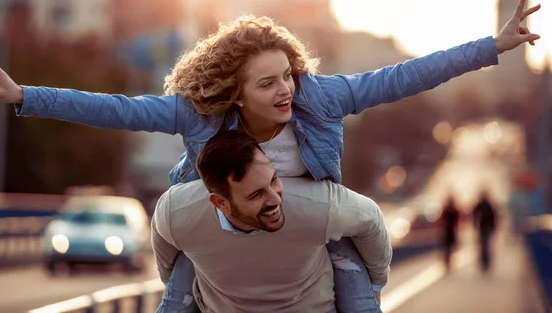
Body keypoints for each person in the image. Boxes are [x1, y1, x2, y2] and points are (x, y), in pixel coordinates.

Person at [0, 0, 540, 312]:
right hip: (226, 220)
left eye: (287, 75)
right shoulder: (200, 114)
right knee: (179, 290)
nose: (285, 90)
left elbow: (405, 77)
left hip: (314, 226)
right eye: (267, 83)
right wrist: (25, 95)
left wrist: (492, 46)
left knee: (355, 285)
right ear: (235, 93)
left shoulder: (321, 98)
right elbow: (118, 109)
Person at [152, 129, 392, 312]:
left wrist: (376, 283)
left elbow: (370, 218)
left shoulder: (316, 206)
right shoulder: (178, 211)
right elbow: (168, 268)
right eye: (256, 194)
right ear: (220, 203)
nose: (275, 198)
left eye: (274, 180)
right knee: (188, 252)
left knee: (343, 239)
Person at [472, 191, 498, 273]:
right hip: (483, 228)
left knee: (485, 245)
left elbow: (494, 217)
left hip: (486, 228)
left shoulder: (488, 205)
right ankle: (484, 261)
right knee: (484, 245)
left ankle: (485, 261)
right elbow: (474, 214)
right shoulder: (485, 205)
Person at [440, 195, 461, 271]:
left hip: (452, 230)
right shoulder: (446, 209)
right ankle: (446, 262)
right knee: (446, 247)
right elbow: (441, 219)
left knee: (451, 247)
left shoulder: (454, 210)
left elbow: (458, 219)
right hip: (446, 230)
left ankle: (449, 262)